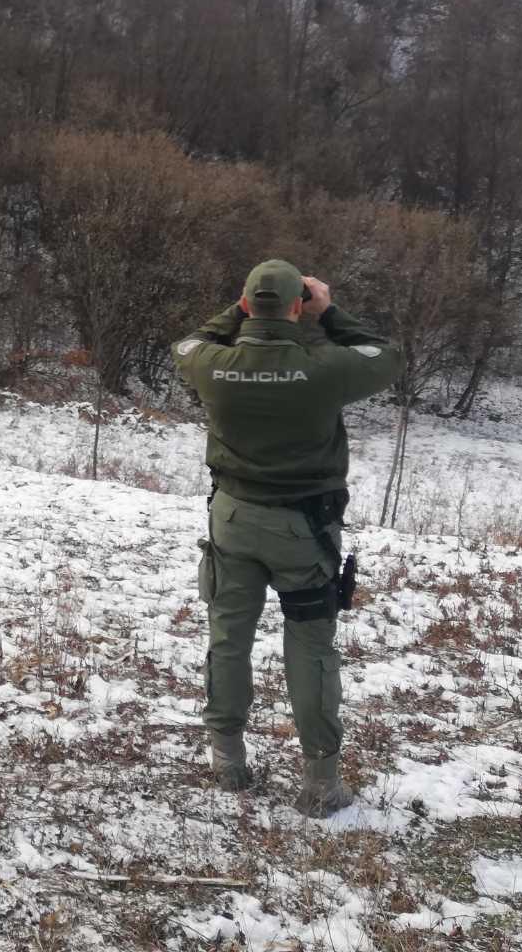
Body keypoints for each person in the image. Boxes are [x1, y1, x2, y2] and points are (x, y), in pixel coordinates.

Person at [172, 259, 404, 817]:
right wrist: (330, 310)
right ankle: (321, 781)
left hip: (232, 517)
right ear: (300, 306)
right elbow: (385, 355)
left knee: (229, 634)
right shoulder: (324, 367)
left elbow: (190, 341)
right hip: (303, 527)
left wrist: (242, 308)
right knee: (310, 645)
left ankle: (226, 755)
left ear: (247, 305)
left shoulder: (213, 363)